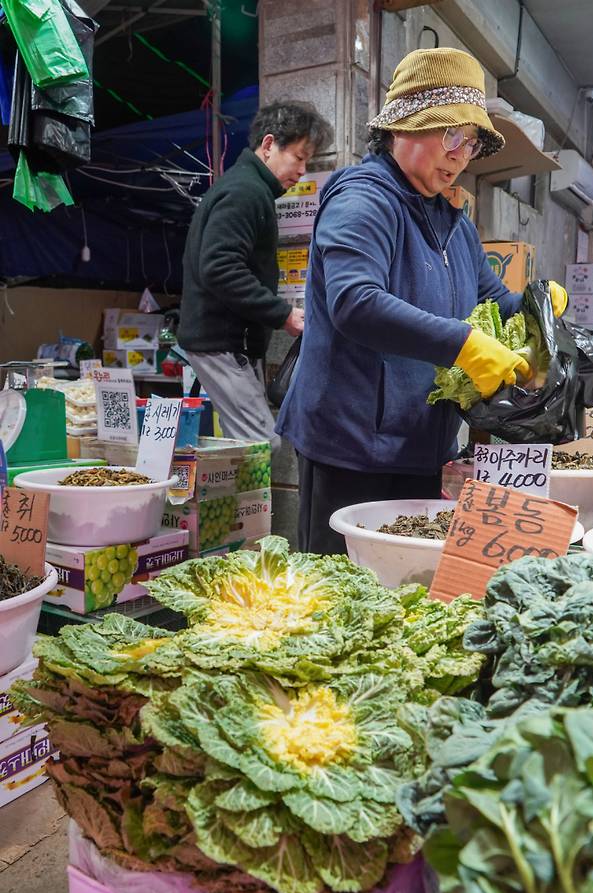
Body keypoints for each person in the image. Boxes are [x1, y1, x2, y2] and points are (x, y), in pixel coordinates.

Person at [276, 47, 567, 553]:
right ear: (403, 127)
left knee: (399, 592)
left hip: (418, 443)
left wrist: (537, 305)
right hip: (351, 446)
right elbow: (355, 302)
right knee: (338, 596)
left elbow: (494, 301)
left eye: (471, 142)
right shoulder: (363, 200)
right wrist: (465, 346)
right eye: (450, 134)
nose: (460, 154)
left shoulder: (452, 224)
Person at [177, 101, 332, 453]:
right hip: (220, 342)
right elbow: (219, 267)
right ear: (268, 144)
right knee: (261, 445)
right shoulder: (246, 192)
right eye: (298, 157)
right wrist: (283, 314)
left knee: (242, 446)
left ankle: (224, 507)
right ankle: (234, 508)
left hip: (223, 341)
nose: (303, 170)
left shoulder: (248, 188)